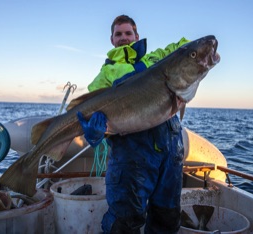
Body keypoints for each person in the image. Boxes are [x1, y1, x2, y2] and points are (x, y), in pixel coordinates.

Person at [77, 15, 189, 233]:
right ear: (111, 39)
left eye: (128, 33)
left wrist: (198, 49)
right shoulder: (105, 75)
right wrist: (94, 132)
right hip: (130, 159)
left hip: (170, 156)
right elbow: (92, 112)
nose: (124, 38)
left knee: (166, 220)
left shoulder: (154, 60)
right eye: (118, 34)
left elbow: (181, 49)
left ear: (137, 36)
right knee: (125, 223)